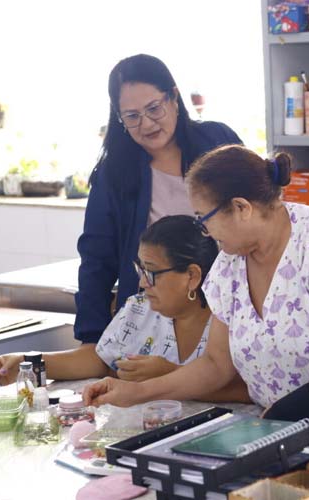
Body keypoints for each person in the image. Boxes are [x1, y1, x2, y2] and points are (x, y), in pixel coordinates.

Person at [82, 145, 309, 433]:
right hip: (294, 428)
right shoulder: (228, 266)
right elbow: (216, 365)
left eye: (204, 219)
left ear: (241, 208)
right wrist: (136, 392)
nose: (204, 232)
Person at [0, 216, 251, 402]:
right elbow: (98, 359)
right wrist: (25, 364)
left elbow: (249, 391)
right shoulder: (140, 310)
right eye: (139, 269)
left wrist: (169, 374)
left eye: (152, 272)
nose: (142, 283)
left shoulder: (230, 319)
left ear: (191, 276)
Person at [76, 54, 241, 345]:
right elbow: (96, 259)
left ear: (174, 98)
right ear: (119, 118)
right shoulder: (112, 174)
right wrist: (91, 338)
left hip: (231, 310)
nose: (147, 124)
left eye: (154, 108)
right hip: (156, 324)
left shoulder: (216, 141)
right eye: (132, 116)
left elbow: (254, 213)